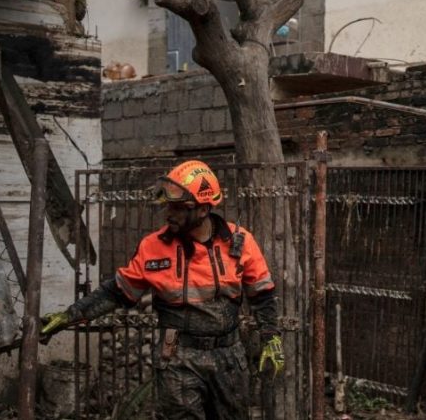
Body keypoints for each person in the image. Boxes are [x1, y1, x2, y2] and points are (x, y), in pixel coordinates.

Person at [41, 160, 284, 420]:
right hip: (178, 358)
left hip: (229, 358)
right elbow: (118, 292)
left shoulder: (240, 242)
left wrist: (271, 337)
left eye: (179, 208)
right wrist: (70, 315)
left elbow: (262, 294)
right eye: (168, 206)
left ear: (202, 209)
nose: (169, 213)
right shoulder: (153, 247)